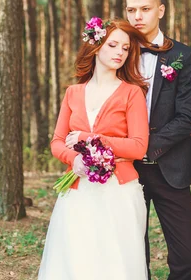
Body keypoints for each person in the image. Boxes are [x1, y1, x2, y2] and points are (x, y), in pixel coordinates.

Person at [38, 18, 158, 280]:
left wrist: (91, 138)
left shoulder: (132, 93)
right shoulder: (73, 92)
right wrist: (74, 159)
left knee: (115, 264)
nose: (120, 53)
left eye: (125, 49)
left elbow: (139, 147)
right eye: (113, 45)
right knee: (76, 261)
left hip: (120, 192)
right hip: (78, 191)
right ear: (96, 46)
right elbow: (57, 141)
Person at [124, 0, 191, 279]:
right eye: (132, 10)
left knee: (186, 256)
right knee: (131, 252)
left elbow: (187, 116)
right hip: (126, 169)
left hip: (171, 166)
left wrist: (145, 144)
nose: (137, 16)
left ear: (161, 10)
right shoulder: (118, 52)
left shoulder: (184, 56)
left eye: (145, 8)